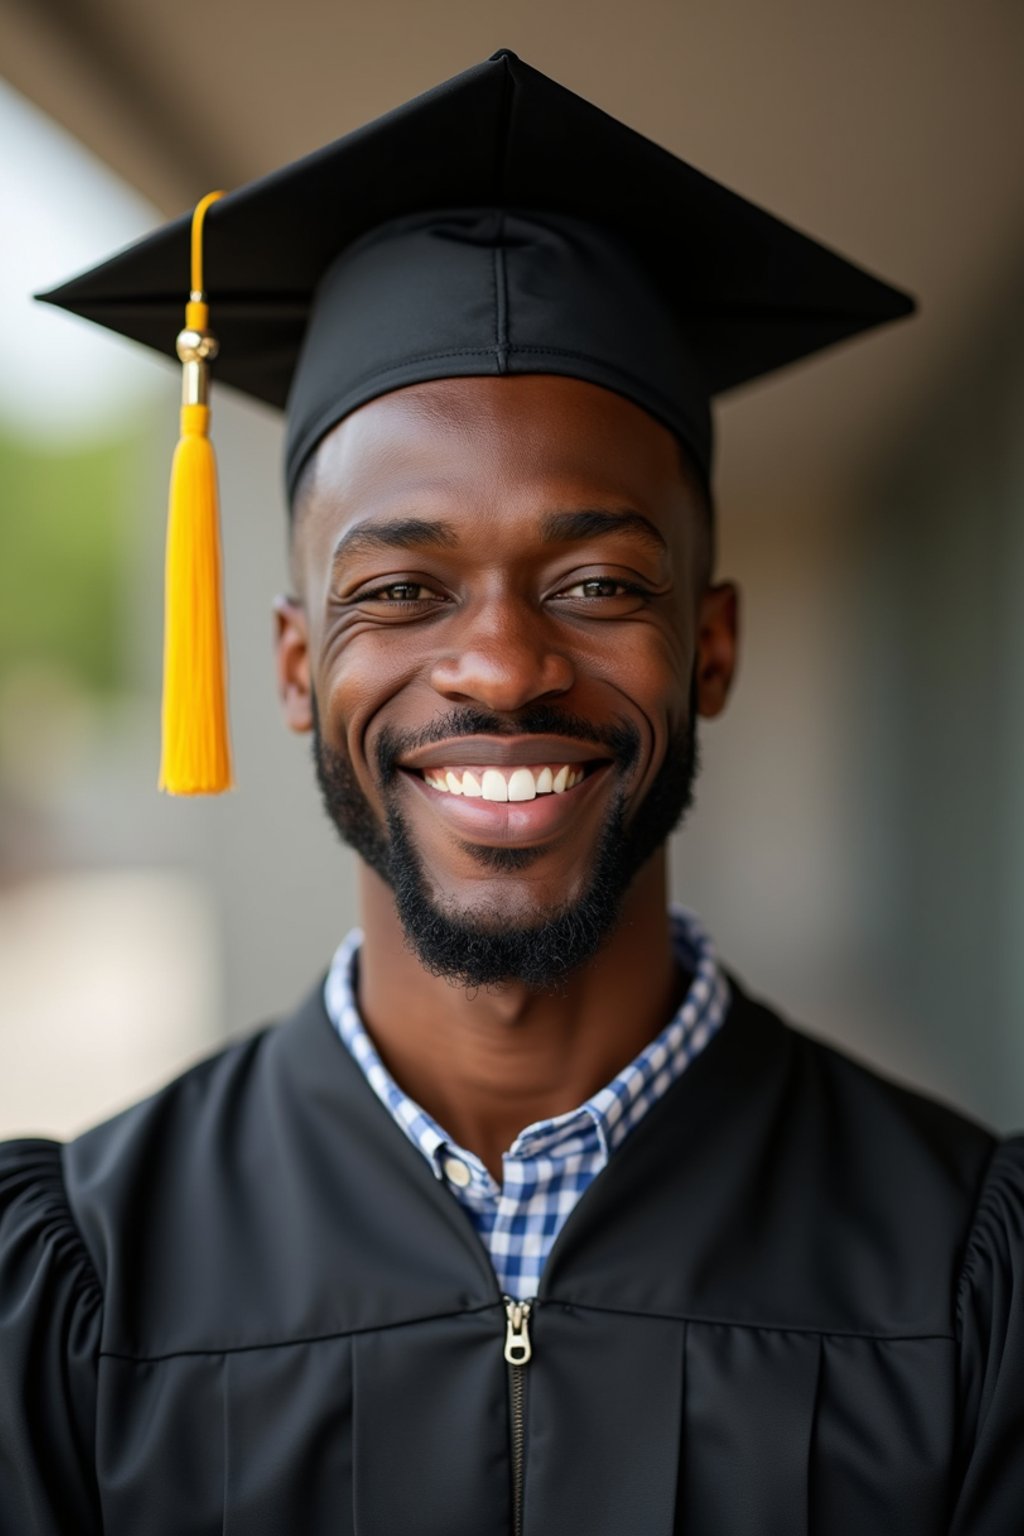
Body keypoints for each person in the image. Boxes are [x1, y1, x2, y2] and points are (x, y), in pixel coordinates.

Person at [1, 49, 1021, 1536]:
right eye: (403, 588)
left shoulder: (965, 1271)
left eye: (598, 582)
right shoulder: (77, 1289)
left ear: (711, 648)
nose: (498, 663)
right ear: (293, 669)